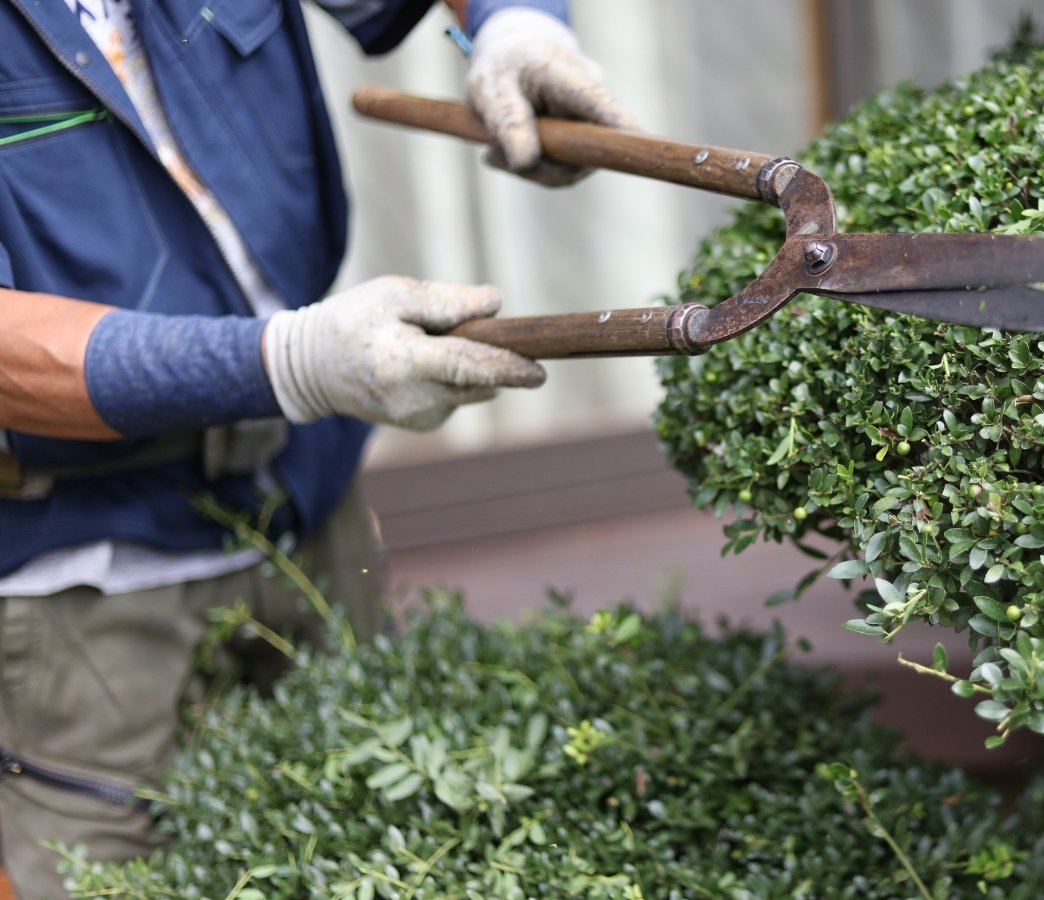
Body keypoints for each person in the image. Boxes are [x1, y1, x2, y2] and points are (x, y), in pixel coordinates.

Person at [0, 0, 634, 894]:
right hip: (83, 579)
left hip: (311, 496)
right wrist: (290, 361)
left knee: (405, 842)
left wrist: (514, 25)